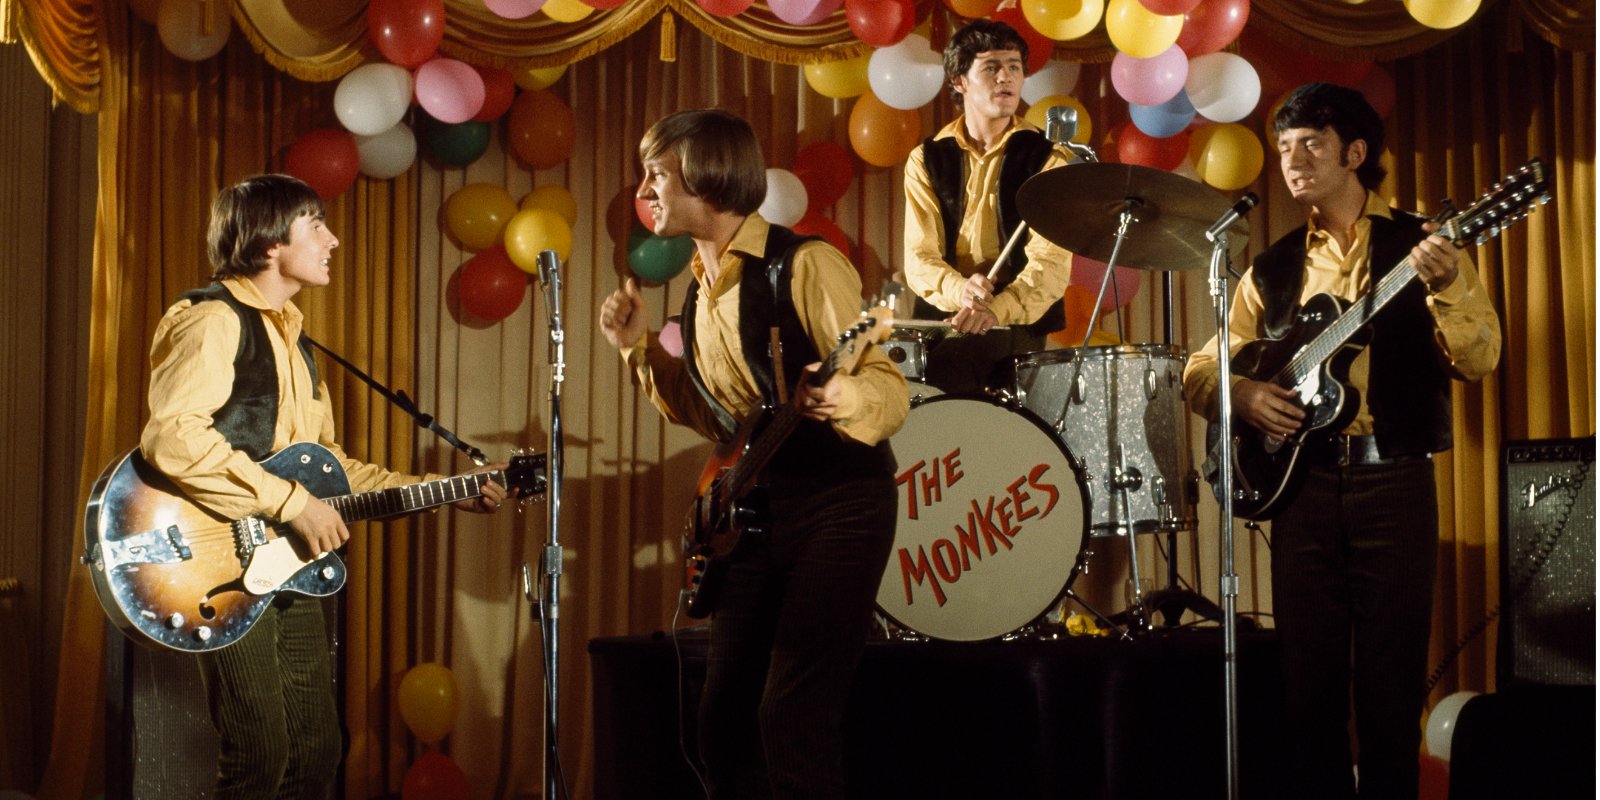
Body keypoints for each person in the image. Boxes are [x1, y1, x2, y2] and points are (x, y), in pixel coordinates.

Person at [140, 174, 512, 799]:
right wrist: (291, 502)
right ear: (268, 246)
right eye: (315, 225)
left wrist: (447, 487)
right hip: (215, 566)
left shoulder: (299, 343)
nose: (333, 239)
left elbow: (331, 473)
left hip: (289, 564)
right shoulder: (211, 321)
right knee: (258, 755)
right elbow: (173, 438)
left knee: (316, 750)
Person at [1183, 84, 1501, 799]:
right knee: (1310, 691)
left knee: (1390, 694)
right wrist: (1243, 395)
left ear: (1355, 153)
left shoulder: (1425, 247)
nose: (1292, 160)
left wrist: (1447, 287)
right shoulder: (1271, 267)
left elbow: (1481, 360)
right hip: (1303, 488)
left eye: (1311, 144)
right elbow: (1203, 366)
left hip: (1394, 481)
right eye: (1285, 146)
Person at [600, 109, 909, 799]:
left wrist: (842, 400)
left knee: (793, 716)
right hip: (754, 517)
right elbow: (714, 419)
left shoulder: (806, 264)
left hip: (840, 503)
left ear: (707, 175)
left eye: (657, 172)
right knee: (721, 724)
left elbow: (888, 391)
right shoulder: (696, 294)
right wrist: (637, 350)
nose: (645, 188)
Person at [902, 18, 1075, 395]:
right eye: (991, 68)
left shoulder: (1047, 158)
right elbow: (919, 258)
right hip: (943, 315)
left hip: (1014, 321)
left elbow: (1049, 266)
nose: (1006, 78)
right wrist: (960, 289)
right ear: (959, 82)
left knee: (951, 366)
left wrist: (997, 309)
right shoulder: (926, 158)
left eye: (1014, 67)